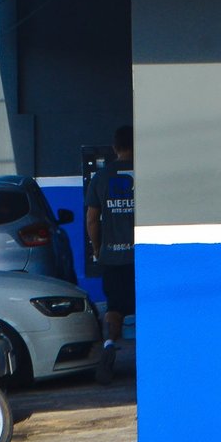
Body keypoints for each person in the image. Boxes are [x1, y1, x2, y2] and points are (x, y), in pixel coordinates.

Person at [85, 125, 135, 383]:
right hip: (143, 257)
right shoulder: (147, 172)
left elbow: (92, 220)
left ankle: (108, 345)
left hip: (112, 256)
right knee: (148, 303)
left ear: (115, 147)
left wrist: (97, 248)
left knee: (114, 308)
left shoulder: (101, 177)